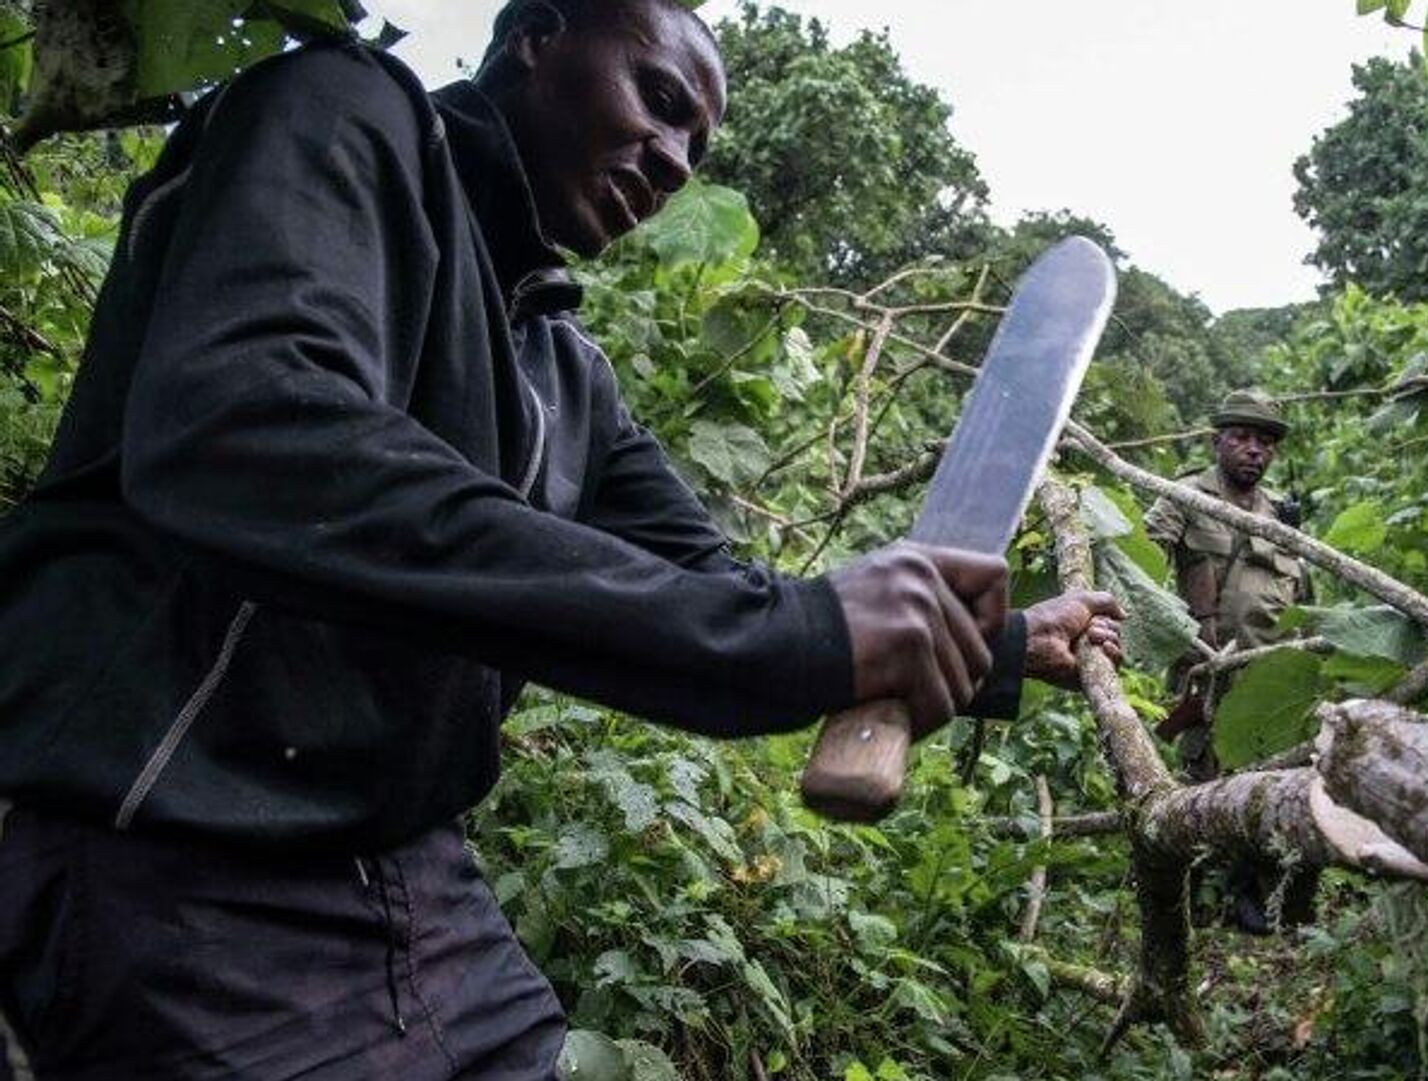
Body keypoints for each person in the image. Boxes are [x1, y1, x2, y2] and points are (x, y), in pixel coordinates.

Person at [0, 2, 1121, 1077]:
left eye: (699, 141)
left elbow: (727, 591)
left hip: (413, 876)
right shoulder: (338, 112)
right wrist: (804, 635)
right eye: (662, 96)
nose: (680, 158)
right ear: (533, 36)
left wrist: (991, 647)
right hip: (172, 859)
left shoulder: (563, 367)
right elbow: (253, 432)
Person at [1144, 389, 1310, 933]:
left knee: (1261, 782)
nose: (1253, 450)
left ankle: (1249, 897)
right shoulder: (1186, 495)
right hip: (1205, 671)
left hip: (1267, 677)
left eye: (1264, 441)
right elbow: (1144, 560)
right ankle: (1185, 903)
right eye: (1241, 437)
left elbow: (1302, 601)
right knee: (1197, 782)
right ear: (1217, 441)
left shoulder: (1282, 515)